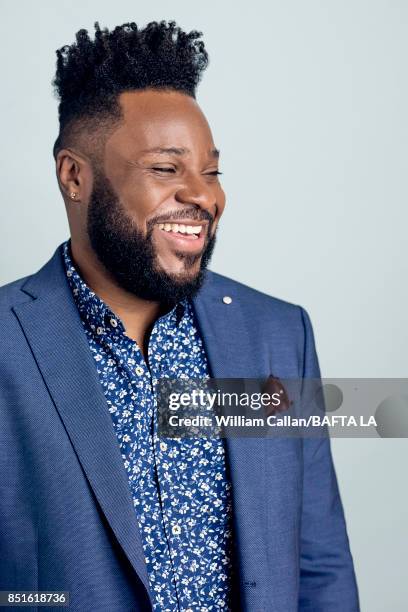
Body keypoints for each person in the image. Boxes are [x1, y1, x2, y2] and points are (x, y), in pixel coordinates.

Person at [0, 20, 359, 612]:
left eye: (212, 171)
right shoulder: (11, 342)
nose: (205, 195)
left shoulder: (277, 335)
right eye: (167, 169)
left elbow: (318, 566)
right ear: (74, 176)